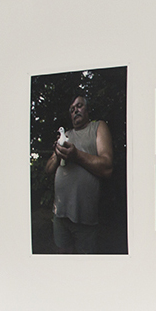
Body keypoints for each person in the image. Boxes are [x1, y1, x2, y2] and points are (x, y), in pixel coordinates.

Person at [44, 95, 113, 253]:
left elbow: (107, 168)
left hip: (85, 216)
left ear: (87, 109)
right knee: (63, 256)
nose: (75, 110)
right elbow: (48, 170)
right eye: (72, 109)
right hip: (60, 213)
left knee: (85, 261)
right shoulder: (66, 136)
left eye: (79, 106)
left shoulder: (97, 127)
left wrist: (76, 155)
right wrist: (57, 154)